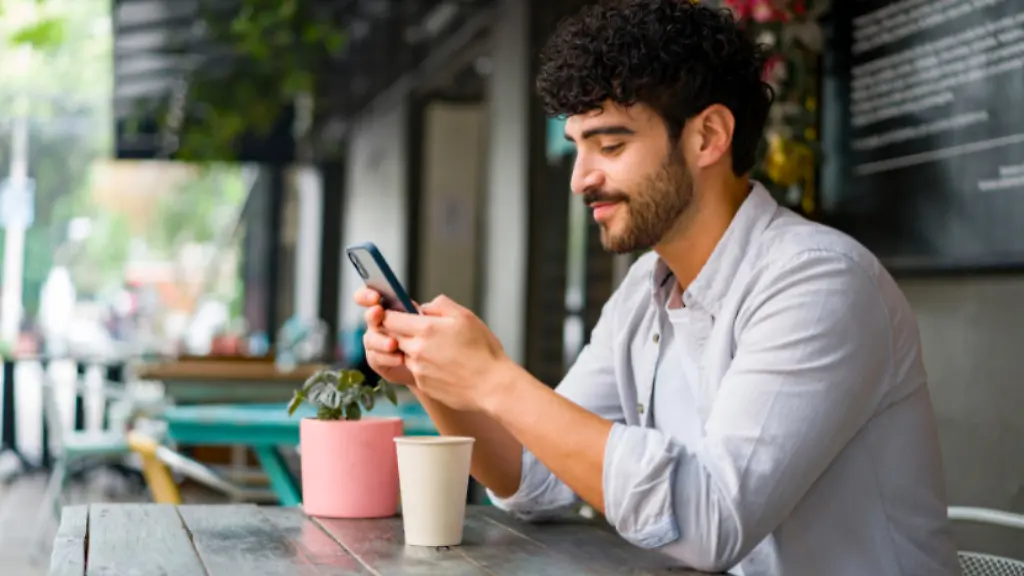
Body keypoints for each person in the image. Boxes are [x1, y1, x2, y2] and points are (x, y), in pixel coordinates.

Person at [354, 1, 960, 574]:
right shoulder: (645, 290)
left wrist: (493, 377)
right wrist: (439, 378)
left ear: (707, 137)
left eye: (611, 145)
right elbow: (534, 481)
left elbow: (710, 522)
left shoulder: (819, 282)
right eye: (577, 149)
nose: (580, 179)